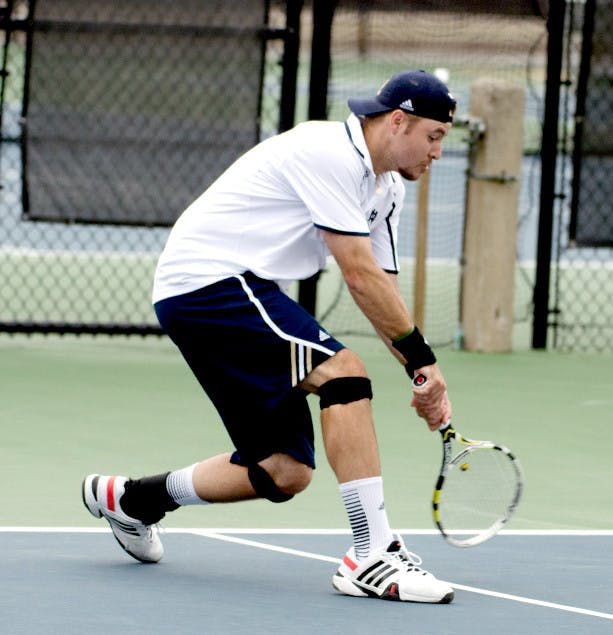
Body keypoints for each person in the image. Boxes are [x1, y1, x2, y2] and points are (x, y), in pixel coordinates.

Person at [82, 70, 457, 604]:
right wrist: (424, 361)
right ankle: (371, 556)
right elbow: (358, 273)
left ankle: (133, 499)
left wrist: (423, 375)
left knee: (284, 471)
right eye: (434, 137)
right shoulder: (328, 151)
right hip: (209, 281)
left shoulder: (386, 188)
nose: (438, 153)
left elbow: (383, 294)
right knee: (344, 374)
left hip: (225, 291)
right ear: (398, 121)